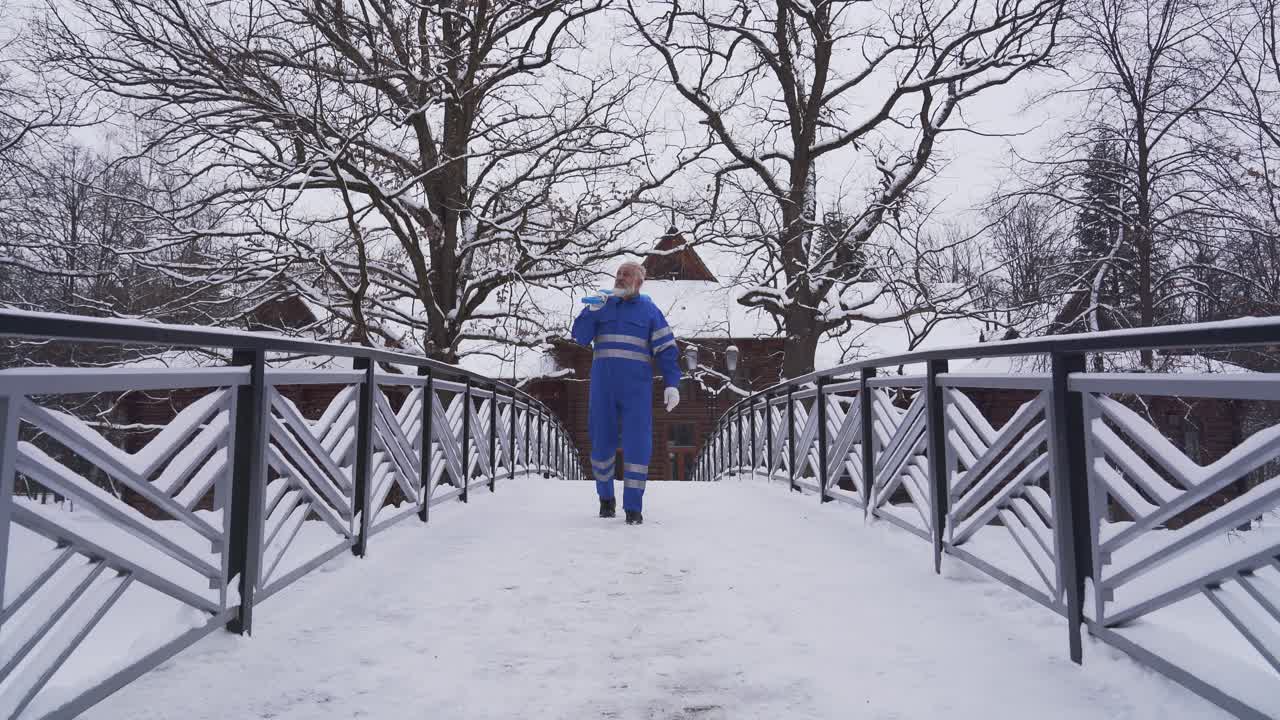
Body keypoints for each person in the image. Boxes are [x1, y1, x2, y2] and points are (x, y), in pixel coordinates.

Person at [571, 262, 681, 525]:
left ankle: (633, 508)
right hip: (603, 389)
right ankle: (605, 499)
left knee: (638, 446)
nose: (620, 278)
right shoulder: (602, 305)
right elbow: (580, 338)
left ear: (639, 281)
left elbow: (666, 350)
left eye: (626, 274)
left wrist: (672, 384)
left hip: (637, 392)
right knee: (601, 444)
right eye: (618, 274)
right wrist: (590, 311)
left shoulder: (650, 311)